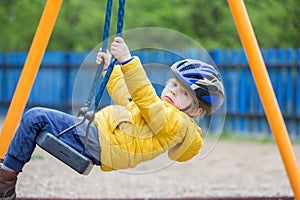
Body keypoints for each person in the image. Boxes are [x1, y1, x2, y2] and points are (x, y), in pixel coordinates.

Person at [0, 37, 224, 198]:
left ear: (197, 111)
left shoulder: (178, 124)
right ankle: (7, 176)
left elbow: (145, 98)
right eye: (174, 84)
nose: (174, 91)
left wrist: (128, 61)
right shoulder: (158, 112)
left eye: (184, 93)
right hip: (102, 137)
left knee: (35, 117)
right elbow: (127, 96)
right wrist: (112, 69)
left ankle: (5, 182)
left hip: (102, 141)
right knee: (37, 121)